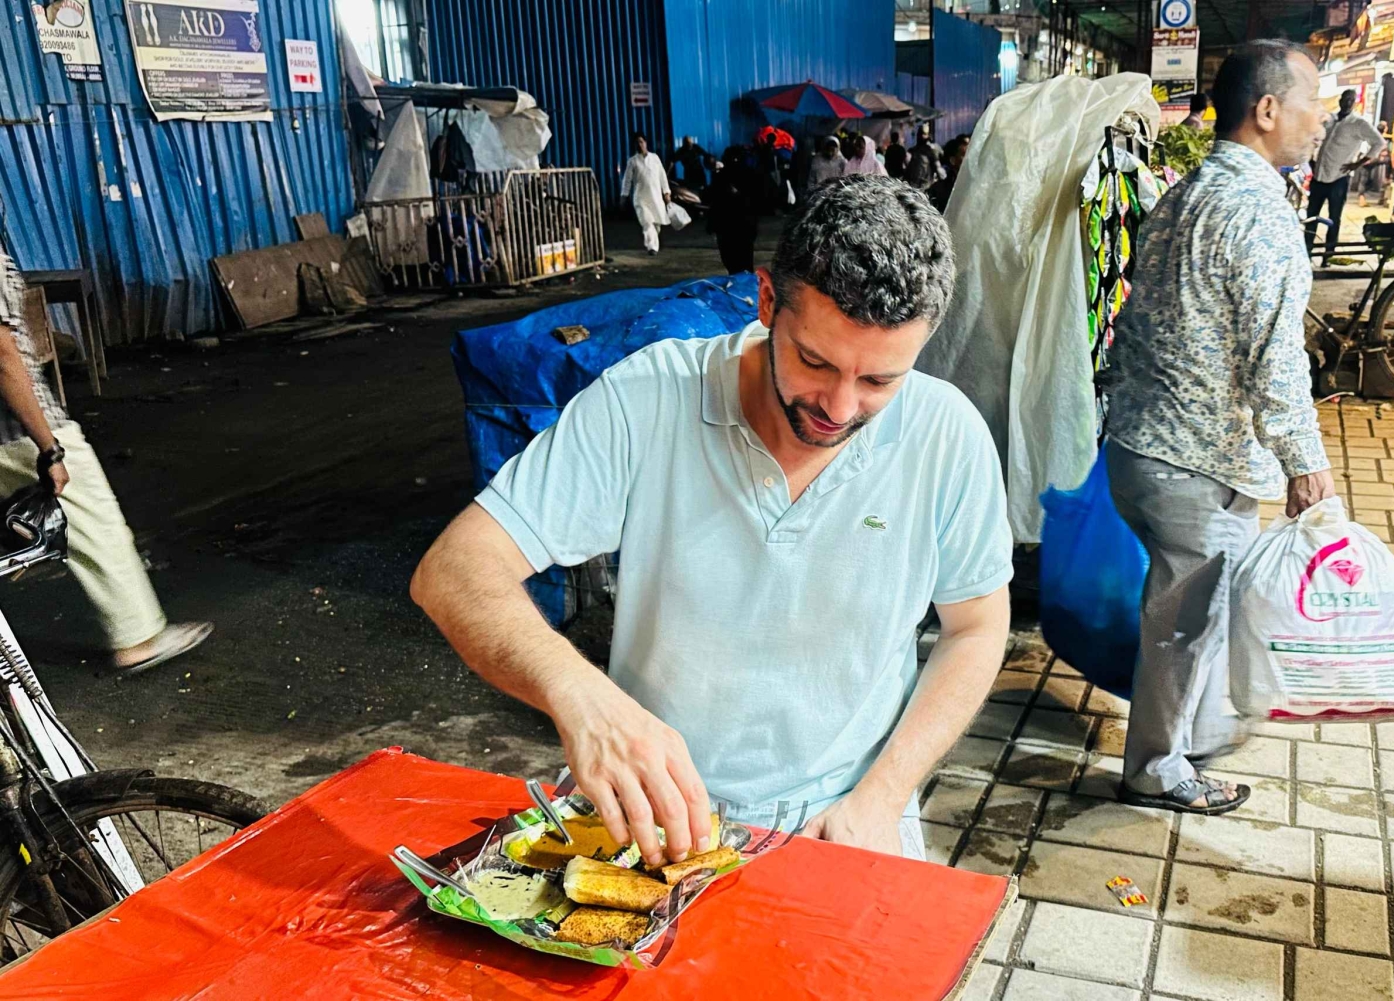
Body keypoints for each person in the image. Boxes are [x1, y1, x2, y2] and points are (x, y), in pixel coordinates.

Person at [411, 175, 1012, 865]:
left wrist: (883, 795)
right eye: (815, 361)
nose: (840, 408)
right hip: (653, 812)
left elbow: (976, 626)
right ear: (766, 301)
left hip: (847, 815)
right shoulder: (649, 398)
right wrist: (582, 697)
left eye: (880, 380)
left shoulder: (946, 436)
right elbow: (454, 569)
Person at [1102, 40, 1334, 817]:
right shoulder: (1260, 213)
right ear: (1266, 110)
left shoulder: (1185, 194)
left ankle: (1198, 731)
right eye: (1312, 102)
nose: (1320, 119)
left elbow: (1139, 316)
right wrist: (1305, 462)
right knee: (1185, 623)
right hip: (1199, 462)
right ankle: (1156, 770)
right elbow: (1276, 361)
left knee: (1190, 611)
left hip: (1140, 441)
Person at [0, 253, 212, 675]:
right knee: (97, 524)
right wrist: (50, 448)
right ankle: (138, 639)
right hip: (17, 428)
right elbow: (3, 355)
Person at [1305, 89, 1383, 265]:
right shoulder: (1330, 119)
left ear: (1354, 103)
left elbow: (1379, 142)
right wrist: (1311, 158)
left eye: (1351, 100)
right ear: (1340, 100)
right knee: (1312, 217)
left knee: (1334, 218)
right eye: (1345, 99)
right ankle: (1306, 253)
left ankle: (1328, 256)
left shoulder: (1359, 123)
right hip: (1319, 175)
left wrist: (1358, 163)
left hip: (1338, 178)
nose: (1347, 103)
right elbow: (1315, 138)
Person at [705, 145, 759, 274]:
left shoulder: (726, 176)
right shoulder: (748, 174)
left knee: (735, 261)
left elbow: (714, 201)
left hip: (735, 225)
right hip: (738, 225)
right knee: (740, 261)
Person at [621, 133, 671, 255]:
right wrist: (624, 195)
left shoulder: (655, 158)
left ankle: (653, 243)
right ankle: (652, 248)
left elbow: (662, 176)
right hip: (641, 199)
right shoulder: (632, 161)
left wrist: (666, 192)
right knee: (647, 222)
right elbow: (627, 180)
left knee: (656, 225)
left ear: (645, 143)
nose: (639, 144)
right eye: (637, 142)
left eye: (641, 141)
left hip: (656, 198)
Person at [1350, 120, 1391, 208]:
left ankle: (1366, 197)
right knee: (1366, 179)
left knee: (1364, 179)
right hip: (1370, 159)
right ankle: (1382, 195)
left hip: (1370, 159)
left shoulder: (1373, 137)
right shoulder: (1380, 139)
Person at [926, 134, 970, 213]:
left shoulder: (977, 186)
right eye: (964, 155)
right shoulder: (937, 191)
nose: (969, 158)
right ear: (953, 160)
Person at [905, 126, 941, 190]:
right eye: (921, 134)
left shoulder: (931, 150)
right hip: (919, 186)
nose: (922, 136)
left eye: (924, 134)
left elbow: (938, 169)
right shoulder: (913, 151)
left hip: (921, 187)